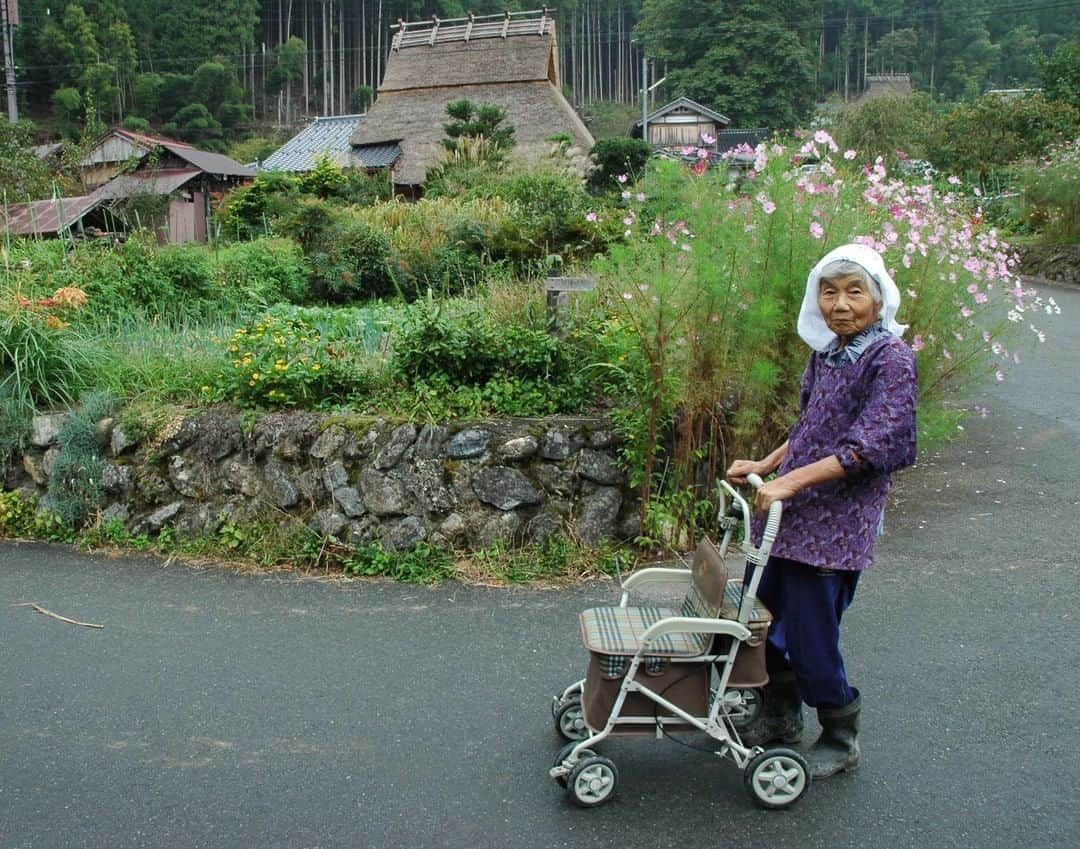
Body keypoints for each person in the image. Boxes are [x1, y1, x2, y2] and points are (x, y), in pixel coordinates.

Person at [726, 243, 918, 779]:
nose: (840, 304)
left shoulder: (891, 359)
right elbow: (811, 425)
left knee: (811, 637)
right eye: (829, 291)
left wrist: (789, 483)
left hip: (833, 525)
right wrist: (766, 462)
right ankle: (779, 716)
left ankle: (840, 732)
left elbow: (870, 447)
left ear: (879, 300)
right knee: (762, 622)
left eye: (855, 291)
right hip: (788, 514)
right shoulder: (828, 353)